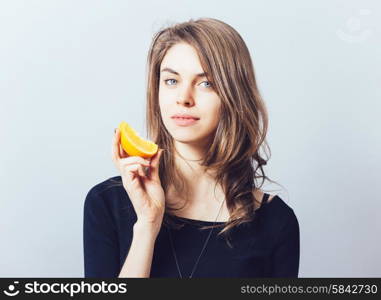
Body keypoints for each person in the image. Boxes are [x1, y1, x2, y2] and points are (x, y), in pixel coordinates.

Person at [83, 17, 300, 278]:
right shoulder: (108, 202)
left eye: (206, 83)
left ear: (234, 96)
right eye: (171, 81)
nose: (183, 98)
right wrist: (147, 226)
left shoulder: (275, 222)